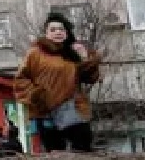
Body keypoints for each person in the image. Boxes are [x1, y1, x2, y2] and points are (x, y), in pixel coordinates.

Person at [14, 13, 102, 152]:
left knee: (82, 146)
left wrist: (85, 58)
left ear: (67, 33)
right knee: (55, 152)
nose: (58, 32)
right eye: (53, 29)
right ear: (46, 33)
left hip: (71, 106)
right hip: (44, 109)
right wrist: (35, 95)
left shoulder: (72, 53)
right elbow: (21, 79)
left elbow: (90, 78)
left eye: (61, 29)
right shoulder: (35, 53)